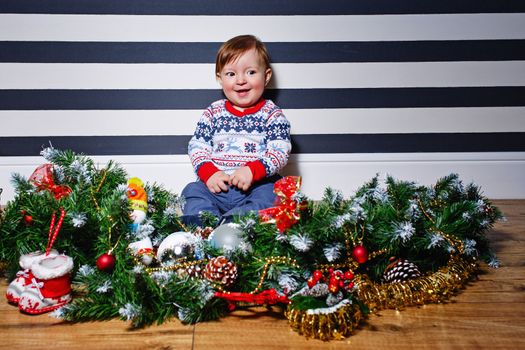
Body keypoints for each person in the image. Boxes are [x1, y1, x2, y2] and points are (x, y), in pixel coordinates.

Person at [181, 34, 292, 226]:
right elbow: (197, 147)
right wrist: (209, 173)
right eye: (231, 74)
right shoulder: (213, 112)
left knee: (273, 194)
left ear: (266, 77)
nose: (240, 80)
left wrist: (253, 170)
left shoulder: (272, 114)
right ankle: (204, 223)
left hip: (255, 185)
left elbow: (280, 151)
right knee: (192, 191)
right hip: (217, 187)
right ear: (220, 79)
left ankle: (237, 222)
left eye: (250, 72)